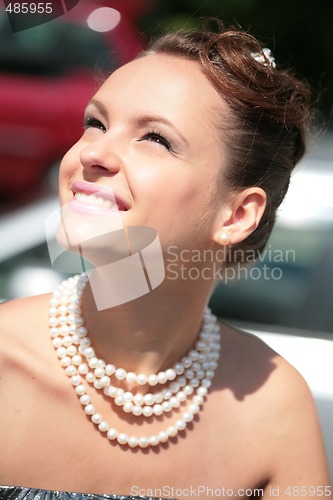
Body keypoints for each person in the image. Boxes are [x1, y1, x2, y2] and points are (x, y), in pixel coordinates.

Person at [0, 23, 331, 500]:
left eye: (155, 138)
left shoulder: (272, 406)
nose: (93, 153)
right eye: (95, 123)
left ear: (237, 215)